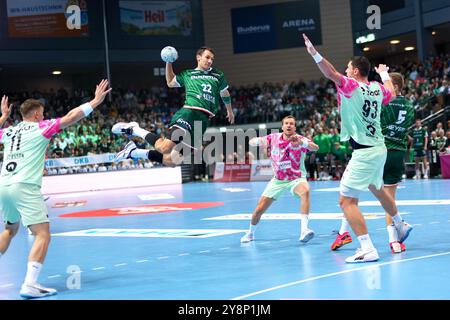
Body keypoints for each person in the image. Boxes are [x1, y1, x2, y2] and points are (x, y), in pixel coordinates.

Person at [303, 33, 412, 263]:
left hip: (364, 152)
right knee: (378, 189)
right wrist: (384, 74)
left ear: (354, 71)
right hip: (379, 148)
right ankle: (400, 223)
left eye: (348, 67)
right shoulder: (376, 88)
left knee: (346, 201)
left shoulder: (351, 86)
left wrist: (314, 53)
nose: (345, 69)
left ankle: (367, 248)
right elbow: (391, 93)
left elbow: (331, 73)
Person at [0, 80, 111, 298]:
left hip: (4, 185)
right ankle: (30, 284)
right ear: (35, 115)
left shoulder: (9, 132)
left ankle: (30, 283)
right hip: (25, 186)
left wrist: (3, 118)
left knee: (10, 230)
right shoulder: (41, 127)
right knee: (43, 234)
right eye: (41, 113)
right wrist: (95, 102)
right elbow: (70, 118)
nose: (43, 116)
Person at [331, 73, 415, 254]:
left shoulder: (384, 103)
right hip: (397, 152)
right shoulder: (409, 105)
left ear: (394, 86)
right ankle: (392, 240)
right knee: (382, 194)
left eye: (387, 84)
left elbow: (371, 115)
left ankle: (352, 234)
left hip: (378, 149)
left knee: (353, 194)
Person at [112, 46, 234, 166]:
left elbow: (224, 92)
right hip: (189, 114)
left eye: (212, 59)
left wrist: (229, 111)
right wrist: (168, 63)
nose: (210, 61)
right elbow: (170, 82)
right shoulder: (188, 74)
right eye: (207, 57)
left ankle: (135, 152)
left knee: (172, 161)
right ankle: (134, 129)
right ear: (198, 57)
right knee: (164, 148)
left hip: (202, 122)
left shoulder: (218, 75)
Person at [240, 116, 319, 243]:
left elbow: (315, 147)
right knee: (259, 210)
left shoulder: (300, 139)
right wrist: (257, 142)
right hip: (278, 180)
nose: (289, 125)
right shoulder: (273, 138)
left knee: (305, 191)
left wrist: (301, 143)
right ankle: (250, 233)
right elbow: (251, 141)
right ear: (282, 126)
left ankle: (304, 230)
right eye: (286, 123)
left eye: (291, 124)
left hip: (296, 178)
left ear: (295, 127)